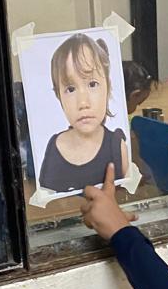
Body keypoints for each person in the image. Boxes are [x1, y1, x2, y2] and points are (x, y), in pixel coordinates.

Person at [39, 33, 128, 193]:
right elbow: (46, 201)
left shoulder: (116, 146)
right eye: (70, 89)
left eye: (92, 84)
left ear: (108, 88)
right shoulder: (54, 147)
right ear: (59, 96)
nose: (83, 103)